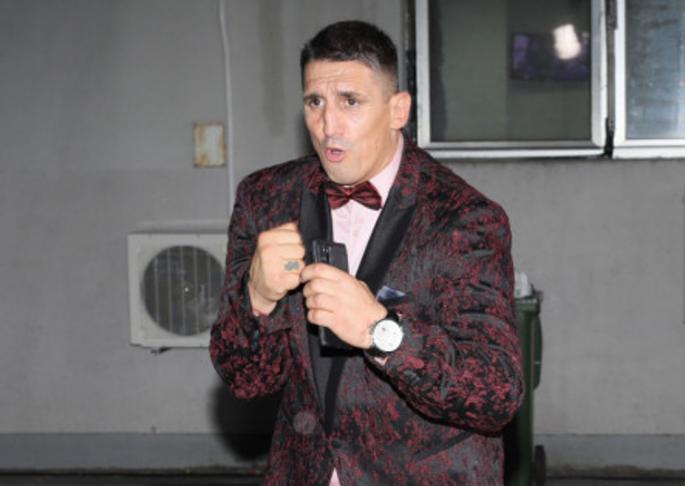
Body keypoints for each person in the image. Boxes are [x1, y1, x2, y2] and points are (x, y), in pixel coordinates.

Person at [210, 20, 523, 485]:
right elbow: (246, 379)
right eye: (315, 102)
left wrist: (381, 332)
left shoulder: (463, 218)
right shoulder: (266, 199)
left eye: (350, 101)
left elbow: (495, 394)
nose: (328, 126)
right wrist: (256, 298)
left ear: (398, 110)